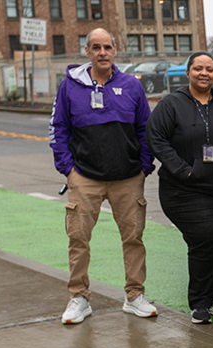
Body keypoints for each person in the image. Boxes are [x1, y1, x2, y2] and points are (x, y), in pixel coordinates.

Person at [48, 28, 158, 324]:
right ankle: (79, 298)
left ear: (115, 50)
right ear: (87, 51)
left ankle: (134, 296)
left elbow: (145, 130)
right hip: (84, 176)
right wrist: (68, 169)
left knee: (133, 238)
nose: (102, 53)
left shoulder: (131, 86)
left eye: (107, 47)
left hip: (128, 177)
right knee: (78, 238)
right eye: (96, 48)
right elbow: (58, 129)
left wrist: (144, 166)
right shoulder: (70, 86)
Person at [146, 52, 213, 324]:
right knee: (206, 236)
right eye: (198, 68)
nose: (204, 73)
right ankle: (199, 302)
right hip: (185, 189)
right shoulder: (171, 104)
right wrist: (184, 170)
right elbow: (156, 139)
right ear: (188, 72)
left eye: (209, 69)